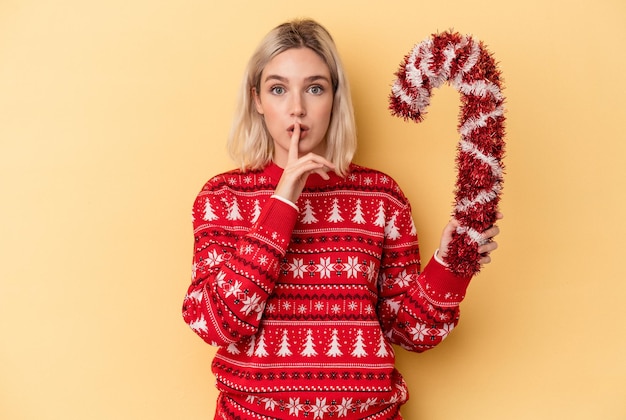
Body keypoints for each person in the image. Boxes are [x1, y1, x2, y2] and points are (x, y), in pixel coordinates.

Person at [182, 18, 501, 419]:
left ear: (334, 97)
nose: (297, 107)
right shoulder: (221, 199)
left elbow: (409, 332)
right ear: (257, 100)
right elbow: (214, 323)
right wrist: (283, 204)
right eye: (278, 89)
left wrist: (450, 266)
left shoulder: (380, 197)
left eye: (315, 88)